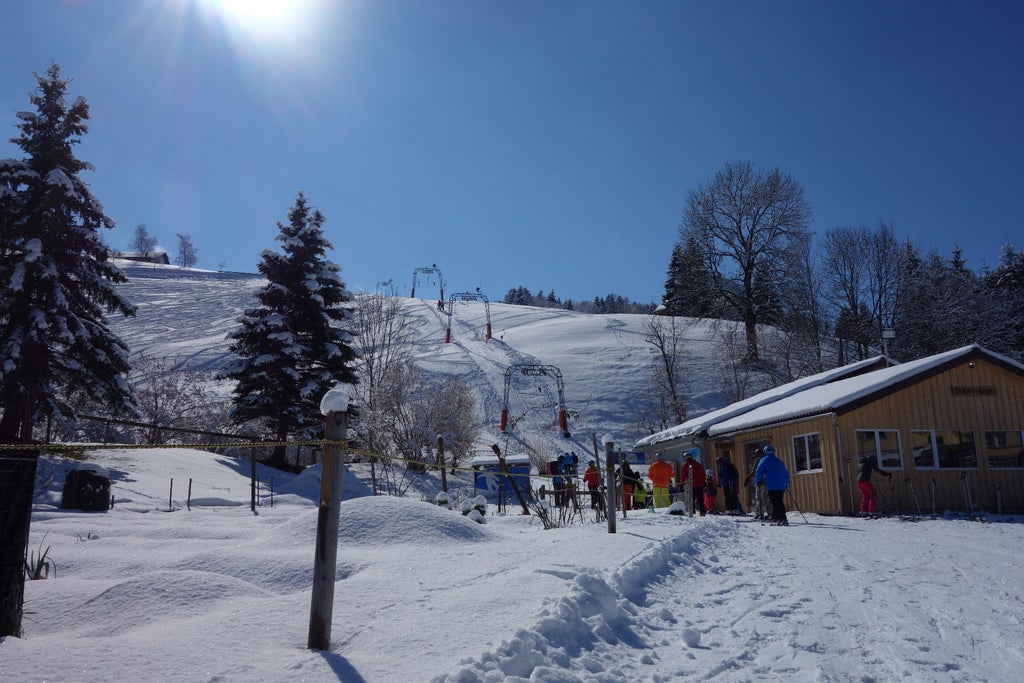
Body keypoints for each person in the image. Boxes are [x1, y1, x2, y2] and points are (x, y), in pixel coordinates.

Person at [755, 444, 790, 525]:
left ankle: (778, 518)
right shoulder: (779, 460)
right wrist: (786, 481)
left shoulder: (764, 459)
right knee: (779, 501)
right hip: (781, 484)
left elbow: (759, 470)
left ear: (765, 452)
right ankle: (781, 518)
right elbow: (785, 472)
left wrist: (758, 480)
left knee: (774, 502)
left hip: (772, 484)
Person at [679, 449, 707, 516]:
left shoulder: (685, 466)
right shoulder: (698, 464)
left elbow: (683, 476)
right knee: (700, 499)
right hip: (700, 484)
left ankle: (692, 512)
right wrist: (704, 481)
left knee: (691, 499)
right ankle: (702, 512)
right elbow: (703, 473)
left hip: (692, 485)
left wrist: (681, 485)